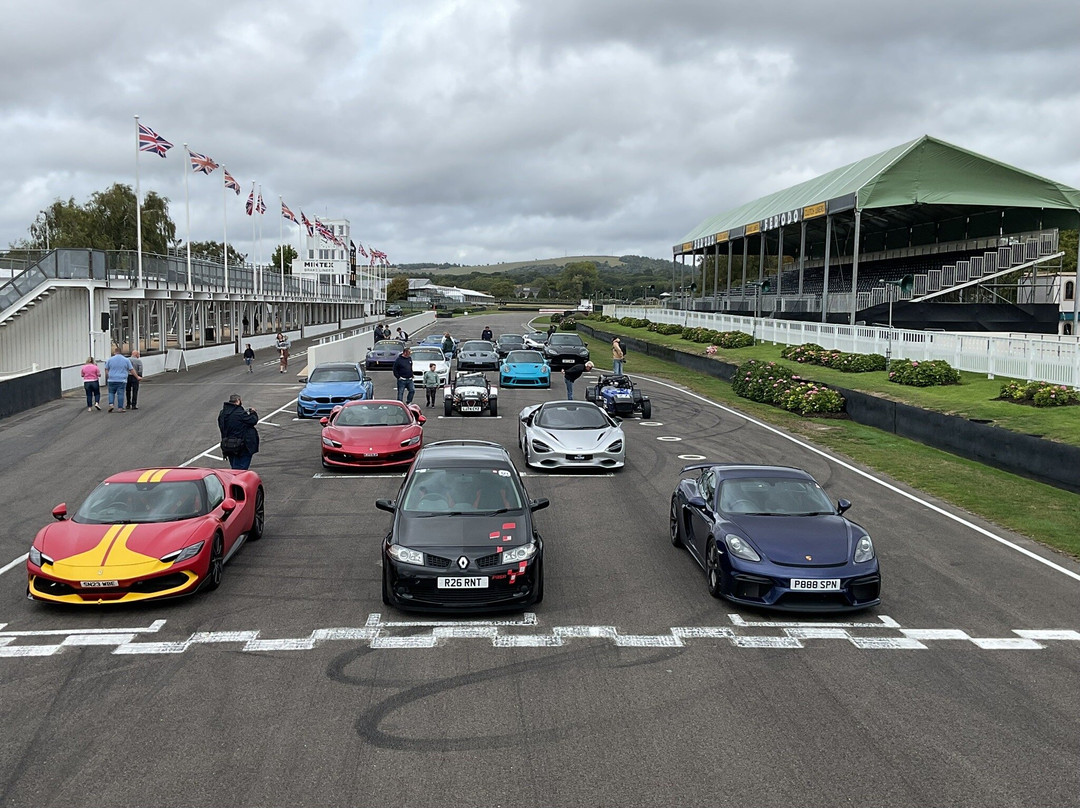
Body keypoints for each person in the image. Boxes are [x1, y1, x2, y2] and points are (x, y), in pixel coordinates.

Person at [218, 394, 260, 470]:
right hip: (242, 444)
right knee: (242, 466)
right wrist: (253, 413)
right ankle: (239, 479)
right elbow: (253, 420)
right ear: (238, 401)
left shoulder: (223, 413)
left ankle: (235, 478)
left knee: (234, 465)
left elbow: (221, 427)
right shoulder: (239, 413)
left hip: (228, 444)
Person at [104, 346, 139, 412]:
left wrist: (108, 376)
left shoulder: (109, 360)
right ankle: (120, 408)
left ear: (115, 352)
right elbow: (131, 369)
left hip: (111, 379)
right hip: (121, 380)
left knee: (111, 392)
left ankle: (111, 404)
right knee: (120, 393)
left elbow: (106, 369)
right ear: (121, 352)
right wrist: (137, 377)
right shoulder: (126, 360)